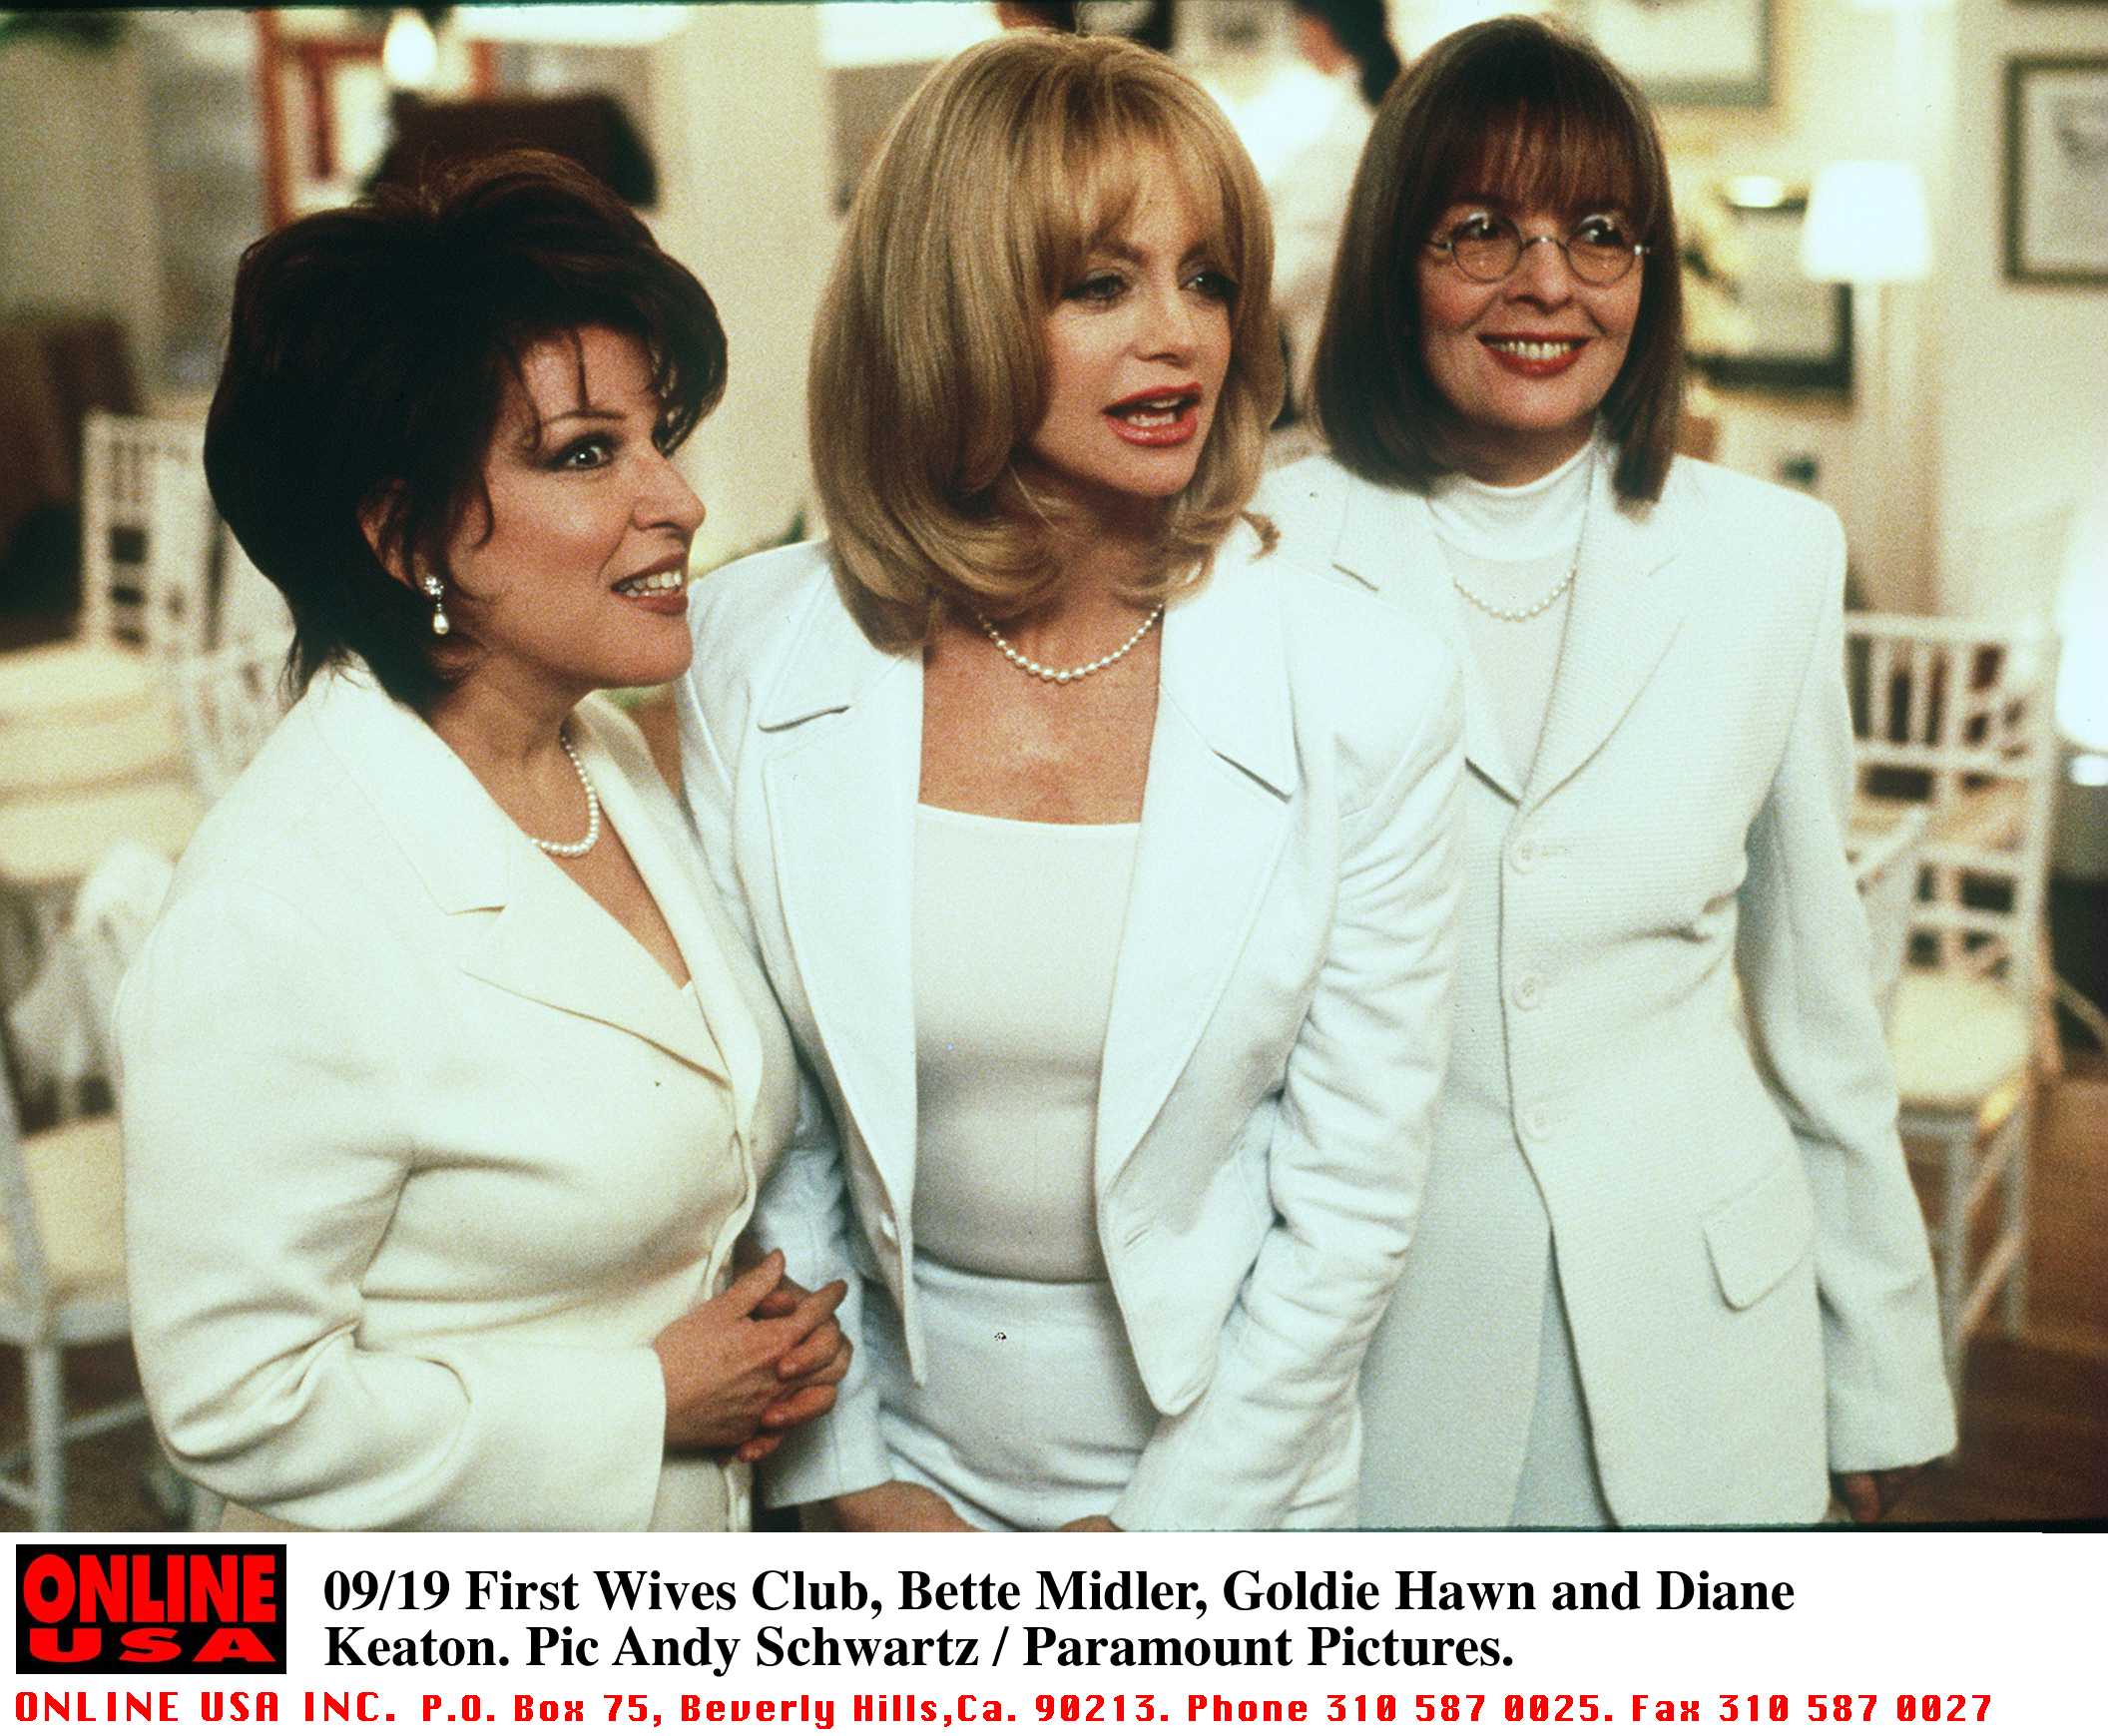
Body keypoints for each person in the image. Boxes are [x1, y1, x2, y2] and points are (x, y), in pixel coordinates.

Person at [678, 32, 1462, 1532]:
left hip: (1229, 1472)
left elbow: (1352, 1202)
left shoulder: (1366, 681)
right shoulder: (750, 648)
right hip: (871, 1448)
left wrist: (1154, 1544)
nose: (1178, 335)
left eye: (1209, 276)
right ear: (953, 305)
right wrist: (855, 1479)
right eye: (1101, 284)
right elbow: (768, 1138)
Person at [1263, 15, 1955, 1526]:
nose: (1548, 284)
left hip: (1710, 1333)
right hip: (1373, 1355)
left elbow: (1819, 1000)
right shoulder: (1260, 550)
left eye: (1599, 233)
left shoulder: (1774, 555)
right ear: (1395, 262)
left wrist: (1880, 1362)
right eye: (1480, 232)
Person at [118, 151, 848, 1530]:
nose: (678, 499)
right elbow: (235, 1401)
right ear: (405, 537)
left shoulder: (604, 752)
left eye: (655, 434)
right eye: (586, 453)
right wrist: (647, 1399)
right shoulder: (276, 909)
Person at [1269, 0, 1404, 413]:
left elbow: (1293, 269)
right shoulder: (1382, 103)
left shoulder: (1341, 126)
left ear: (1321, 26)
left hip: (1342, 360)